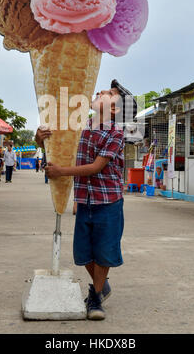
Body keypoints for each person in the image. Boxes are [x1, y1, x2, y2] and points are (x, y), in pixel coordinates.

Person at [35, 79, 137, 321]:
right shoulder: (79, 125)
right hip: (84, 200)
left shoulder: (115, 133)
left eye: (109, 93)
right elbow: (55, 147)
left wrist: (61, 172)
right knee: (83, 254)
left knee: (104, 252)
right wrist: (40, 139)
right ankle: (103, 285)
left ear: (114, 109)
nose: (101, 91)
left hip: (108, 201)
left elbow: (95, 167)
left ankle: (96, 295)